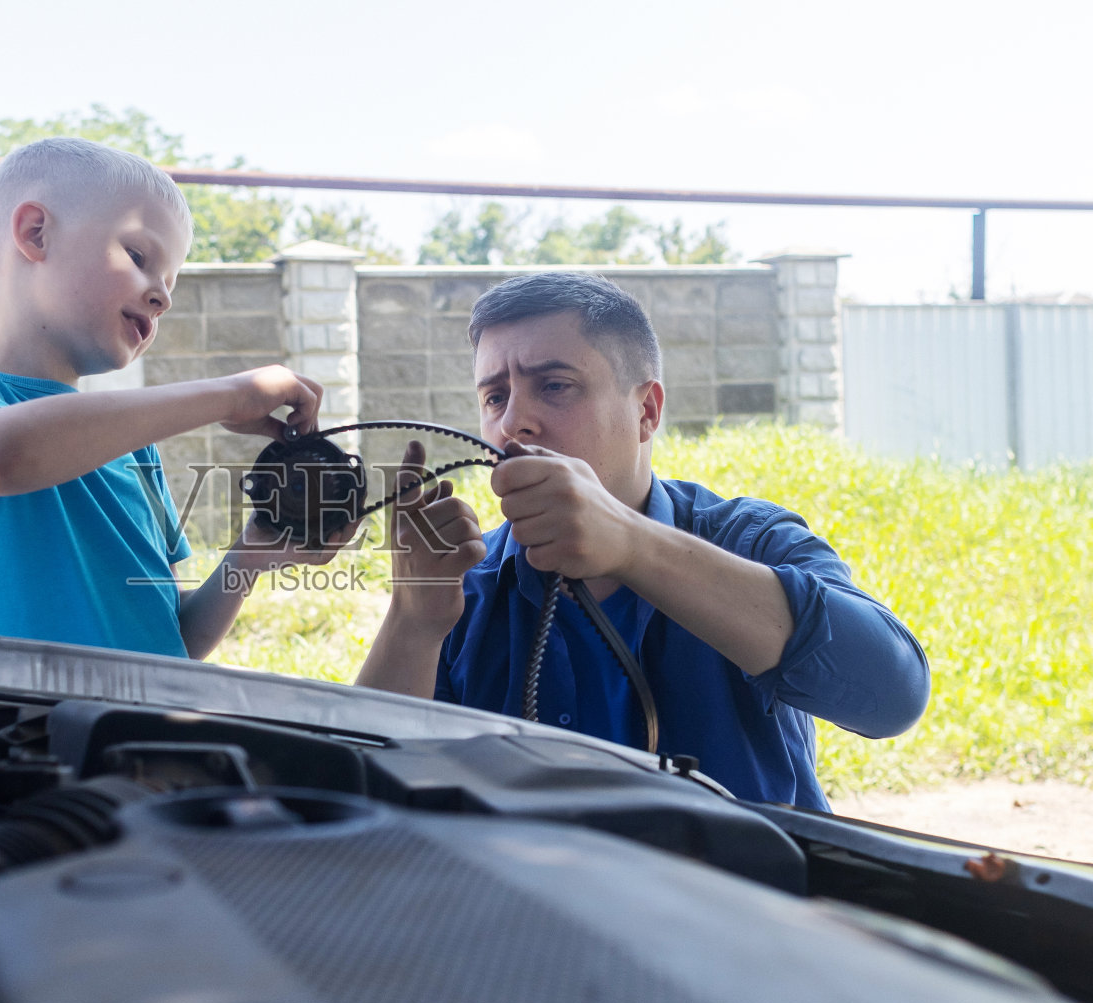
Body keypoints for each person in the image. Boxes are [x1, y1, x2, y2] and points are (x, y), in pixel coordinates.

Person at [356, 272, 929, 809]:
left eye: (555, 386)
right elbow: (361, 804)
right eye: (495, 398)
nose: (514, 424)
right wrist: (413, 619)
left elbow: (892, 695)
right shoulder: (468, 585)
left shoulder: (747, 541)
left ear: (647, 411)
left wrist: (632, 545)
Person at [0, 138, 343, 659]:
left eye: (169, 282)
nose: (163, 296)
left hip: (146, 732)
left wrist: (253, 551)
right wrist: (231, 395)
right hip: (27, 733)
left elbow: (172, 638)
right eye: (138, 256)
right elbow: (0, 457)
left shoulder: (135, 448)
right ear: (35, 233)